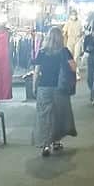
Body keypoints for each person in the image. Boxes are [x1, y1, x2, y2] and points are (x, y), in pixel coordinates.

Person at [34, 26, 77, 157]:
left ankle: (45, 144)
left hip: (44, 87)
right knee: (58, 115)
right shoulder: (64, 51)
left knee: (44, 115)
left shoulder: (42, 52)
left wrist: (34, 86)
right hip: (60, 88)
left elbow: (37, 71)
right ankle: (56, 141)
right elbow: (74, 68)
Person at [63, 9, 84, 75]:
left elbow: (82, 31)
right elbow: (64, 31)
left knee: (76, 55)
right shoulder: (68, 22)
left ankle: (76, 70)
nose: (74, 16)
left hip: (77, 39)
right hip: (70, 39)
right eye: (72, 14)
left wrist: (81, 37)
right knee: (70, 55)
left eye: (75, 14)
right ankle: (70, 69)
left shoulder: (80, 22)